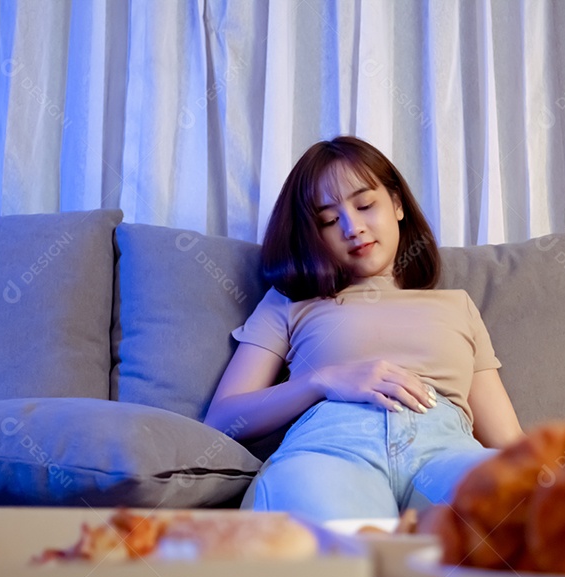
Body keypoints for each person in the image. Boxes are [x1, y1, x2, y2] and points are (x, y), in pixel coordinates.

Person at [204, 136, 524, 521]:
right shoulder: (289, 300)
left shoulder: (457, 306)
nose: (352, 227)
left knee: (511, 499)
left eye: (365, 205)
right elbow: (223, 420)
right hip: (332, 448)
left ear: (397, 204)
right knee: (330, 530)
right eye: (328, 219)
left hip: (445, 451)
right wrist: (322, 381)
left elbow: (509, 443)